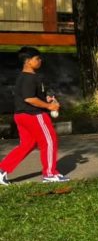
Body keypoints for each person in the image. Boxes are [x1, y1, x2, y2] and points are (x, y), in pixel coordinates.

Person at [0, 47, 69, 185]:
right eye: (37, 58)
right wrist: (49, 106)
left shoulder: (27, 77)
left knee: (27, 144)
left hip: (21, 116)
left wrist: (47, 99)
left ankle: (2, 170)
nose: (40, 61)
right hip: (33, 115)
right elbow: (29, 98)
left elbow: (34, 96)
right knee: (49, 142)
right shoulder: (29, 78)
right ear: (27, 61)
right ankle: (50, 174)